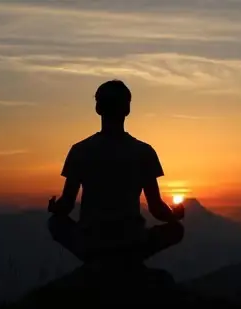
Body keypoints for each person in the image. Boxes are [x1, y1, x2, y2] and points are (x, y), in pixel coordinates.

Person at [47, 79, 184, 268]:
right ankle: (129, 264)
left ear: (98, 108)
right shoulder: (144, 152)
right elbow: (156, 208)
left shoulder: (80, 150)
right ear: (127, 109)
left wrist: (55, 207)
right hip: (133, 243)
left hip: (92, 243)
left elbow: (66, 205)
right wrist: (174, 215)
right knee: (176, 230)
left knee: (55, 223)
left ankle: (96, 264)